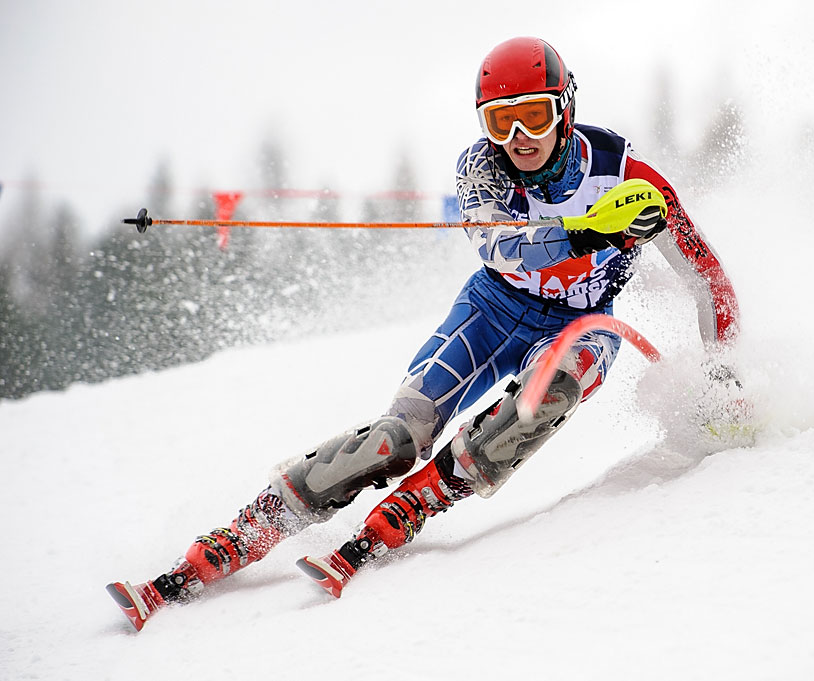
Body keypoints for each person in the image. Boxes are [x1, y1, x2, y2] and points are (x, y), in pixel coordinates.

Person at [106, 36, 741, 631]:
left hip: (582, 324)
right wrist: (584, 232)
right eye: (500, 121)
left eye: (535, 117)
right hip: (491, 311)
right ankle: (251, 527)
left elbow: (708, 279)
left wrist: (723, 368)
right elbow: (501, 250)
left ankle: (420, 504)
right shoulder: (480, 171)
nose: (519, 137)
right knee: (395, 437)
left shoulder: (632, 176)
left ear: (565, 108)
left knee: (543, 399)